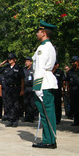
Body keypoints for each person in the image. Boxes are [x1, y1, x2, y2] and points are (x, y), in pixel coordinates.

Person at [32, 20, 58, 148]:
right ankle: (51, 139)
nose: (37, 34)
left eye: (38, 31)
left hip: (43, 83)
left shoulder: (43, 48)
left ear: (43, 33)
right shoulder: (50, 47)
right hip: (48, 81)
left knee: (46, 113)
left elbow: (39, 68)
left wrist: (37, 87)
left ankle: (48, 140)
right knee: (48, 113)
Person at [0, 53, 24, 127]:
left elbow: (22, 79)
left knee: (16, 105)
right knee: (9, 104)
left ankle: (15, 121)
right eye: (8, 59)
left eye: (11, 59)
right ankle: (10, 120)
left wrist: (22, 90)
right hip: (8, 88)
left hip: (16, 88)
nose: (9, 60)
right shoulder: (6, 67)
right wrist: (2, 63)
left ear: (15, 60)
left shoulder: (19, 68)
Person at [65, 56, 79, 126]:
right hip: (72, 90)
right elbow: (67, 81)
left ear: (77, 62)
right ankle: (76, 121)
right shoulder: (70, 72)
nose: (72, 63)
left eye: (74, 62)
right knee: (74, 106)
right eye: (72, 62)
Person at [22, 57, 36, 122]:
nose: (26, 62)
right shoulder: (24, 69)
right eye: (25, 61)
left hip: (32, 87)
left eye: (28, 61)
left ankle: (31, 117)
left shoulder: (34, 69)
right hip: (25, 87)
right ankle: (26, 116)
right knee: (25, 102)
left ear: (31, 62)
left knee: (32, 103)